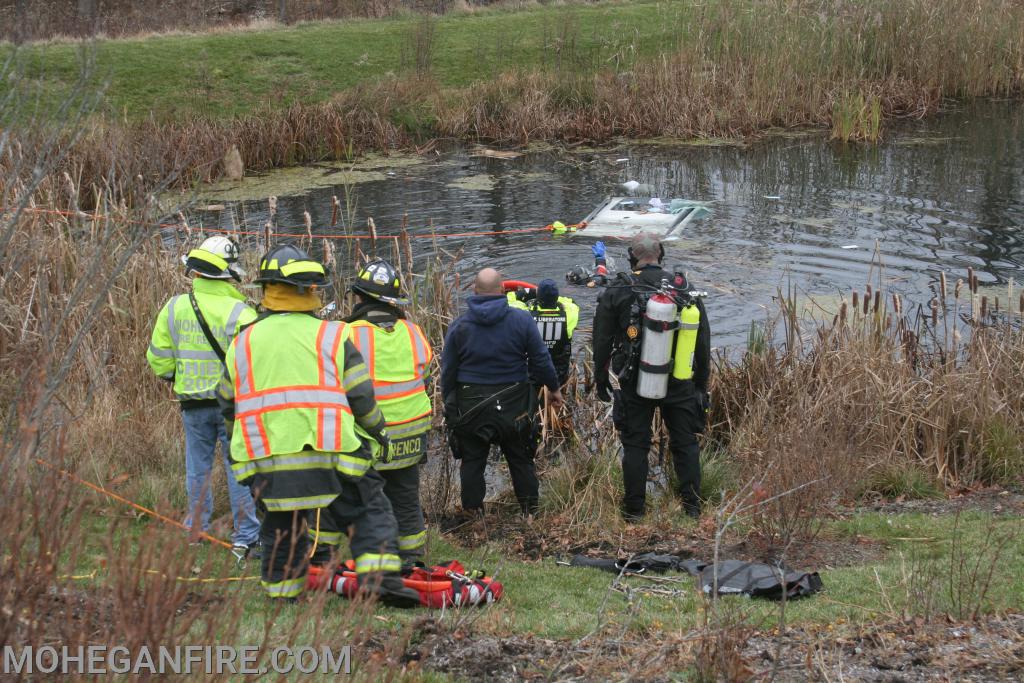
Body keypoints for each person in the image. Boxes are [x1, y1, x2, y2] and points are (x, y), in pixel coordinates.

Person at [217, 243, 419, 605]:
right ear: (310, 290)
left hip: (266, 459)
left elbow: (227, 402)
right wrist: (378, 431)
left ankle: (282, 596)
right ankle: (382, 584)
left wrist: (241, 443)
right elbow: (361, 397)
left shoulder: (242, 341)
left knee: (282, 527)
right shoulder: (333, 335)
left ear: (266, 290)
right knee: (369, 512)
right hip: (332, 454)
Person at [146, 236, 260, 561]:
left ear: (195, 273)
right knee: (239, 470)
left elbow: (158, 359)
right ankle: (247, 538)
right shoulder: (242, 313)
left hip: (192, 406)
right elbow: (253, 365)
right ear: (228, 276)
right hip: (233, 407)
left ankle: (195, 529)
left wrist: (177, 377)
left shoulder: (174, 307)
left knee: (197, 469)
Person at [592, 233, 711, 521]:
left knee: (635, 445)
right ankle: (692, 508)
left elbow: (602, 339)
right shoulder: (684, 289)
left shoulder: (619, 288)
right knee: (685, 443)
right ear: (662, 255)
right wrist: (701, 384)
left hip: (635, 380)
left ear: (632, 258)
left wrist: (600, 378)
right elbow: (702, 340)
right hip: (679, 379)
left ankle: (634, 512)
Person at [441, 268, 564, 517]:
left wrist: (450, 404)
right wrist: (554, 389)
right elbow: (541, 359)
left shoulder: (459, 326)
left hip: (471, 407)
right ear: (502, 291)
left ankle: (473, 515)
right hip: (514, 406)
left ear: (474, 291)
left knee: (472, 462)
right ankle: (531, 513)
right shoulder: (521, 320)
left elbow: (448, 372)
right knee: (520, 459)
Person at [343, 258, 433, 564]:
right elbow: (425, 368)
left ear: (359, 297)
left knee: (368, 500)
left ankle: (378, 559)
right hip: (411, 431)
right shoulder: (413, 331)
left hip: (370, 433)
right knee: (407, 500)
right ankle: (413, 560)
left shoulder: (348, 334)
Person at [507, 279, 580, 386]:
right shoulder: (570, 314)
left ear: (538, 296)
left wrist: (529, 292)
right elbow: (570, 301)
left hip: (531, 376)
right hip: (558, 376)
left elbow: (509, 300)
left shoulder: (525, 314)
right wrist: (550, 295)